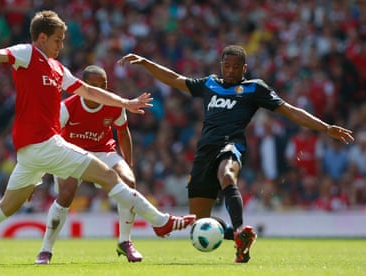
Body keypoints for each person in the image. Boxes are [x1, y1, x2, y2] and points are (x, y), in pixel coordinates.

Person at [0, 10, 196, 266]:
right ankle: (161, 222)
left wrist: (125, 103)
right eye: (57, 39)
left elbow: (91, 93)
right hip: (42, 143)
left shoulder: (58, 69)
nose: (60, 45)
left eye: (62, 40)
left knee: (5, 207)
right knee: (109, 177)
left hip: (32, 151)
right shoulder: (27, 53)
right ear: (42, 37)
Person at [118, 45, 354, 263]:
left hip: (231, 145)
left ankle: (240, 229)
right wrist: (147, 63)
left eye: (235, 67)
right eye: (226, 66)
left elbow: (290, 111)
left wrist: (325, 127)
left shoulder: (254, 88)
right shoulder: (209, 84)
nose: (230, 71)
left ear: (244, 68)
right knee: (198, 224)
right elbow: (175, 79)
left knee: (227, 175)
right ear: (221, 65)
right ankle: (239, 236)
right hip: (204, 153)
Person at [35, 65, 142, 264]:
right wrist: (38, 175)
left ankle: (125, 242)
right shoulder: (67, 107)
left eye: (103, 85)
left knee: (129, 183)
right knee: (66, 193)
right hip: (71, 153)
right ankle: (46, 250)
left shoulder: (114, 105)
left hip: (104, 152)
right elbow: (48, 139)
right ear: (83, 85)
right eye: (93, 85)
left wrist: (129, 163)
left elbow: (122, 132)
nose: (99, 89)